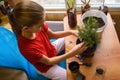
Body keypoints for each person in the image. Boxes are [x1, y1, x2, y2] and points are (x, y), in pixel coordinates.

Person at [8, 1, 87, 80]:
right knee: (70, 77)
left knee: (69, 38)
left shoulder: (39, 25)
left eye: (44, 21)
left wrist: (71, 32)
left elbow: (53, 35)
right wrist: (72, 53)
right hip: (46, 67)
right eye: (40, 25)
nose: (44, 25)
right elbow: (49, 61)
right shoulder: (26, 48)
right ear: (26, 28)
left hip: (50, 49)